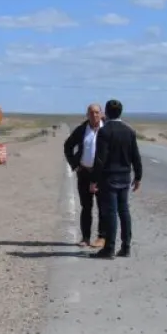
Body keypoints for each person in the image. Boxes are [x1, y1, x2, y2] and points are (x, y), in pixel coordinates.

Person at [89, 99, 143, 259]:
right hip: (125, 177)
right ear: (121, 112)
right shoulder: (129, 131)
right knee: (124, 211)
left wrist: (94, 180)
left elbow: (100, 159)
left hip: (109, 177)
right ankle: (126, 247)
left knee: (111, 213)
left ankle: (109, 249)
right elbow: (136, 156)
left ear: (106, 112)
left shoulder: (104, 132)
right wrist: (138, 176)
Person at [63, 103, 105, 248]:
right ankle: (85, 237)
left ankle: (102, 237)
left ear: (102, 114)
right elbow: (68, 145)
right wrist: (75, 165)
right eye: (91, 112)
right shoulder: (82, 130)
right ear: (87, 114)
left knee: (103, 206)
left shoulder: (107, 129)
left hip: (102, 175)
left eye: (96, 112)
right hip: (84, 173)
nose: (94, 115)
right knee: (86, 207)